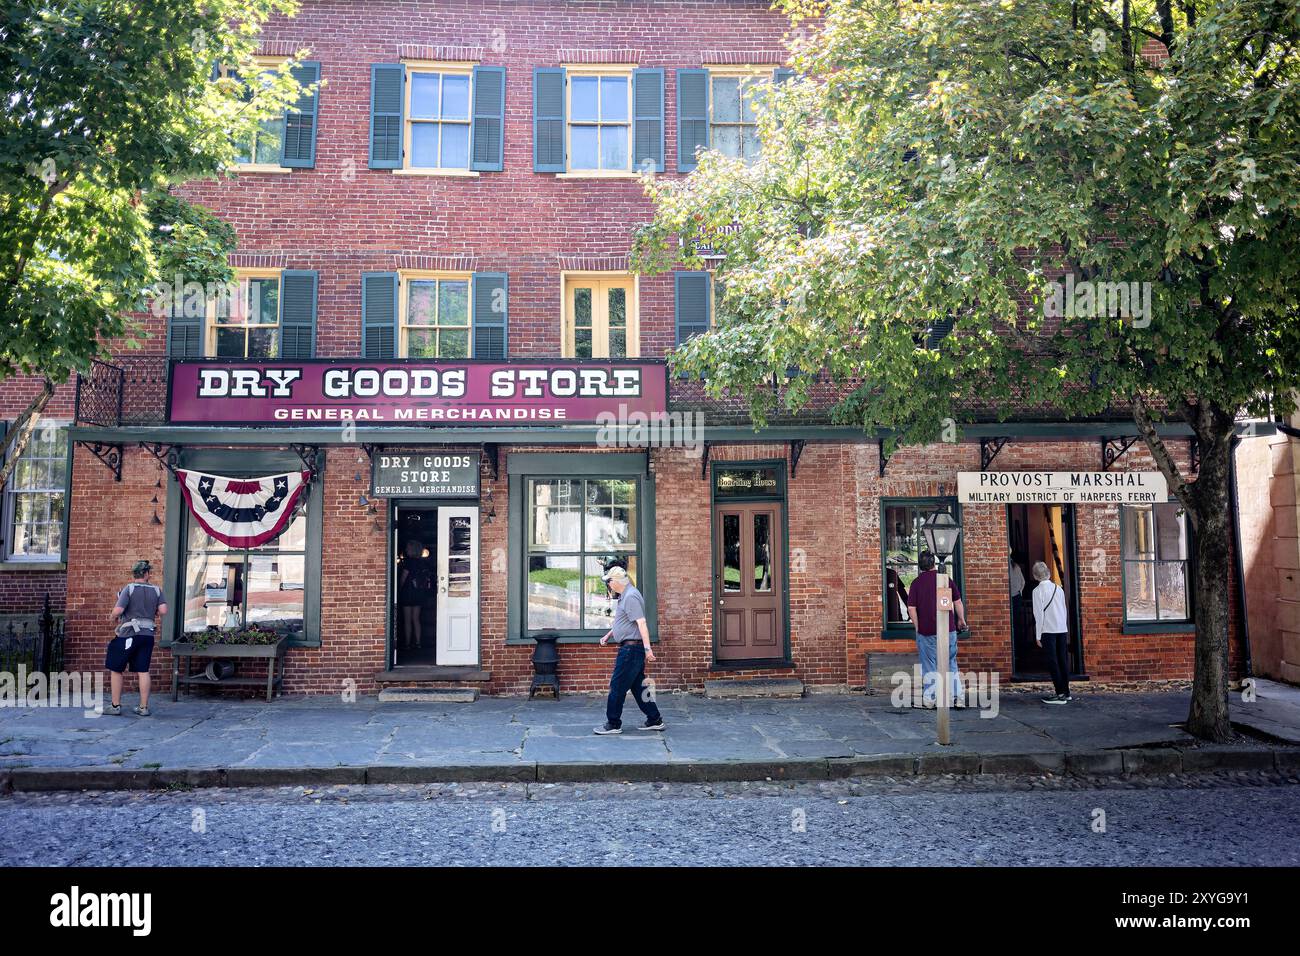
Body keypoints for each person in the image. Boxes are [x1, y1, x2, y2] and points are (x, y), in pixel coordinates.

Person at [593, 566, 666, 734]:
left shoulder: (631, 596)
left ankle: (613, 723)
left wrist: (648, 650)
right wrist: (609, 635)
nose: (609, 585)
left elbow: (641, 623)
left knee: (617, 686)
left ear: (617, 582)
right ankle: (655, 719)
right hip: (631, 648)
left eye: (609, 581)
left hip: (631, 650)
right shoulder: (625, 595)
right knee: (638, 686)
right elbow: (625, 621)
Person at [106, 560, 167, 716]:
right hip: (147, 635)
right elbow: (163, 610)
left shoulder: (129, 588)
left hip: (129, 634)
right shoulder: (157, 590)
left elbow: (119, 610)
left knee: (116, 668)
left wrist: (112, 617)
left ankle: (115, 706)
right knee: (143, 670)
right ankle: (143, 707)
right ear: (146, 574)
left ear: (135, 574)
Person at [906, 550, 967, 708]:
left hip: (927, 631)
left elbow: (911, 608)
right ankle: (957, 698)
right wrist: (961, 620)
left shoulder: (916, 583)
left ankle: (930, 698)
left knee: (929, 666)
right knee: (951, 664)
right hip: (948, 629)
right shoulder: (945, 580)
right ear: (934, 563)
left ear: (920, 565)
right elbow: (958, 602)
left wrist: (918, 627)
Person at [1031, 561, 1072, 703]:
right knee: (1063, 660)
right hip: (1061, 628)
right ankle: (1066, 692)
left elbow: (1039, 615)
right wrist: (1064, 625)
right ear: (1048, 573)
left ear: (1035, 576)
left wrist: (1038, 635)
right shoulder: (1058, 588)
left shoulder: (1037, 591)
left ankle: (1059, 694)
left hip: (1048, 630)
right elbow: (1064, 609)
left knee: (1052, 661)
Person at [397, 539, 430, 651]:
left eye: (408, 548)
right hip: (418, 592)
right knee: (416, 618)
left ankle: (407, 643)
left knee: (407, 620)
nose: (406, 549)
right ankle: (418, 642)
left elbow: (403, 577)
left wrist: (399, 589)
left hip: (407, 592)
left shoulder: (408, 562)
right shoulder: (422, 563)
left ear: (411, 549)